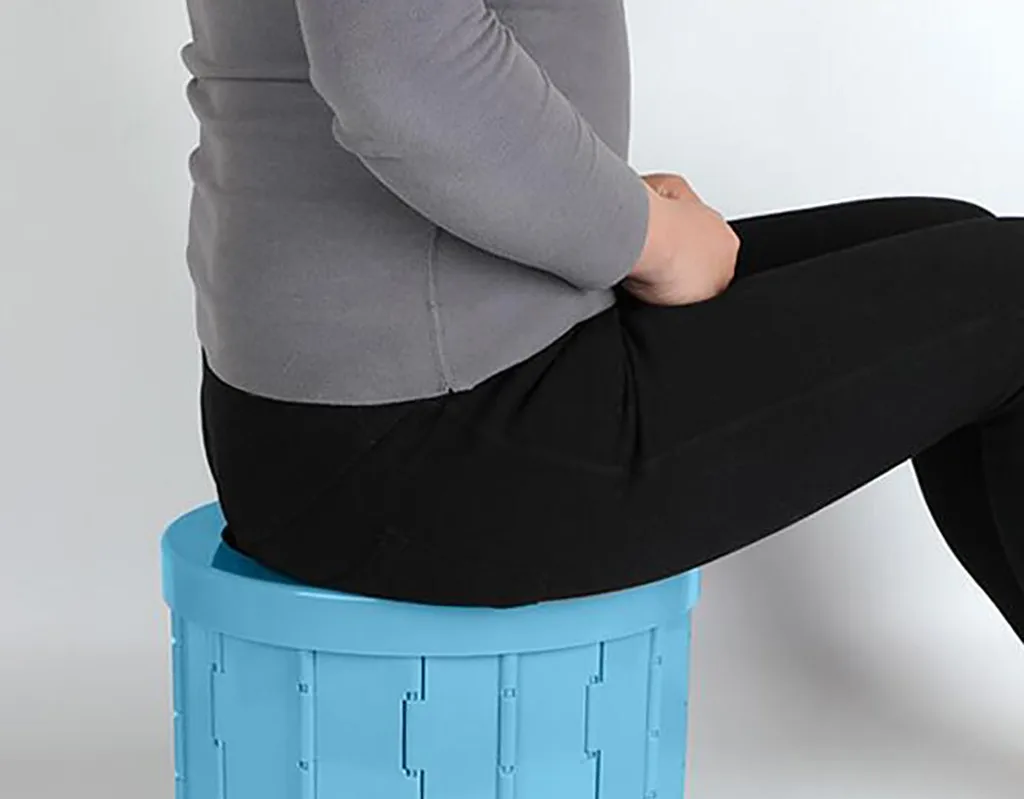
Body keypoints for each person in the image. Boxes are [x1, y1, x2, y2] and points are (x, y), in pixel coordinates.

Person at [186, 1, 1024, 635]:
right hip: (423, 443)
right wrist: (649, 239)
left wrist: (602, 203)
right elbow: (401, 68)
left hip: (372, 404)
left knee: (953, 243)